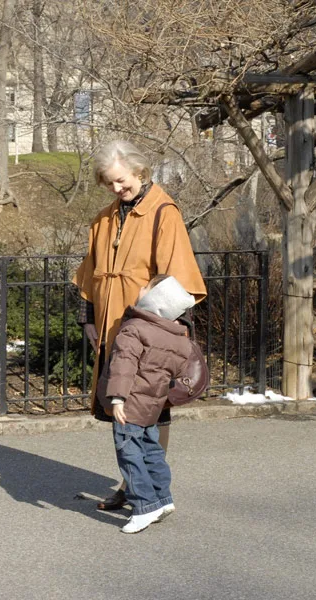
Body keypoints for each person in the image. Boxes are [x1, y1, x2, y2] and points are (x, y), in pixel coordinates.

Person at [72, 139, 206, 512]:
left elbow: (176, 282)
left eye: (122, 180)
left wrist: (165, 338)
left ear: (140, 171)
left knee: (149, 409)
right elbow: (88, 273)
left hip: (149, 331)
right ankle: (135, 484)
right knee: (123, 408)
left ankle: (145, 490)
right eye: (109, 183)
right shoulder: (103, 219)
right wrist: (88, 317)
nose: (116, 188)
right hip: (113, 328)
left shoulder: (164, 212)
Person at [97, 274, 196, 533]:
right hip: (152, 406)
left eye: (145, 287)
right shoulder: (178, 338)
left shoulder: (134, 328)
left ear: (155, 299)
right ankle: (163, 498)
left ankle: (144, 506)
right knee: (152, 452)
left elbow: (123, 365)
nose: (140, 289)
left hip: (130, 403)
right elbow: (177, 371)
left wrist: (117, 398)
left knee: (129, 455)